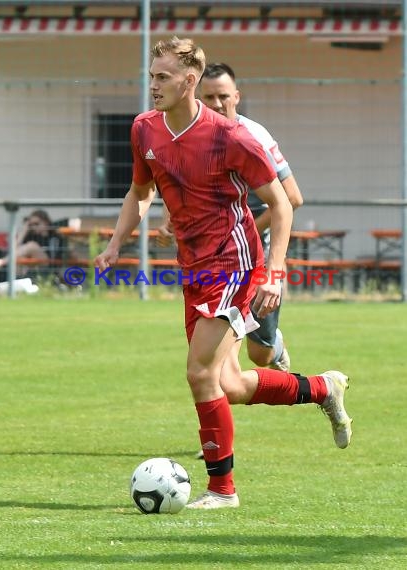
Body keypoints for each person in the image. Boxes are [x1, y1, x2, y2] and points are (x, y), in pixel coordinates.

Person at [95, 36, 352, 510]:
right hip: (193, 268)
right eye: (152, 76)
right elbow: (139, 191)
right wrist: (115, 243)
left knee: (198, 373)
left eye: (163, 77)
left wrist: (274, 273)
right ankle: (322, 387)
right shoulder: (144, 130)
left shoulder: (230, 138)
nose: (153, 86)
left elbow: (281, 204)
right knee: (228, 385)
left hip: (235, 263)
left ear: (189, 81)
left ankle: (222, 490)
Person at [159, 62, 303, 373]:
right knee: (221, 369)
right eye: (208, 97)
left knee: (260, 355)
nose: (216, 104)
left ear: (236, 96)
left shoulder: (253, 136)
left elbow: (292, 198)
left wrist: (246, 226)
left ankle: (274, 344)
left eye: (223, 96)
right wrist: (167, 216)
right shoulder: (191, 133)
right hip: (217, 259)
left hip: (259, 251)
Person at [0, 209, 65, 277]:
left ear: (46, 222)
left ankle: (1, 262)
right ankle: (14, 283)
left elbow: (58, 256)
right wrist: (24, 230)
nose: (34, 227)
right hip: (32, 266)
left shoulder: (55, 235)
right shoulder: (31, 236)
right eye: (31, 225)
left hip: (49, 265)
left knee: (32, 246)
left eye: (36, 224)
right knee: (19, 257)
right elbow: (13, 250)